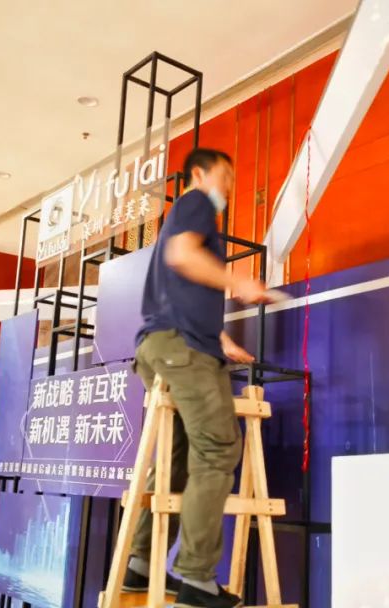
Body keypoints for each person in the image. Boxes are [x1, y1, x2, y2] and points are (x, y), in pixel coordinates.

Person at [125, 148, 272, 608]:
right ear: (199, 173)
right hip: (181, 349)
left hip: (163, 347)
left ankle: (141, 564)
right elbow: (183, 255)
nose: (228, 187)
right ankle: (197, 579)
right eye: (224, 177)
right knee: (219, 449)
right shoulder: (196, 203)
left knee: (179, 456)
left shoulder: (180, 216)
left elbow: (179, 289)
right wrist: (239, 283)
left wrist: (221, 339)